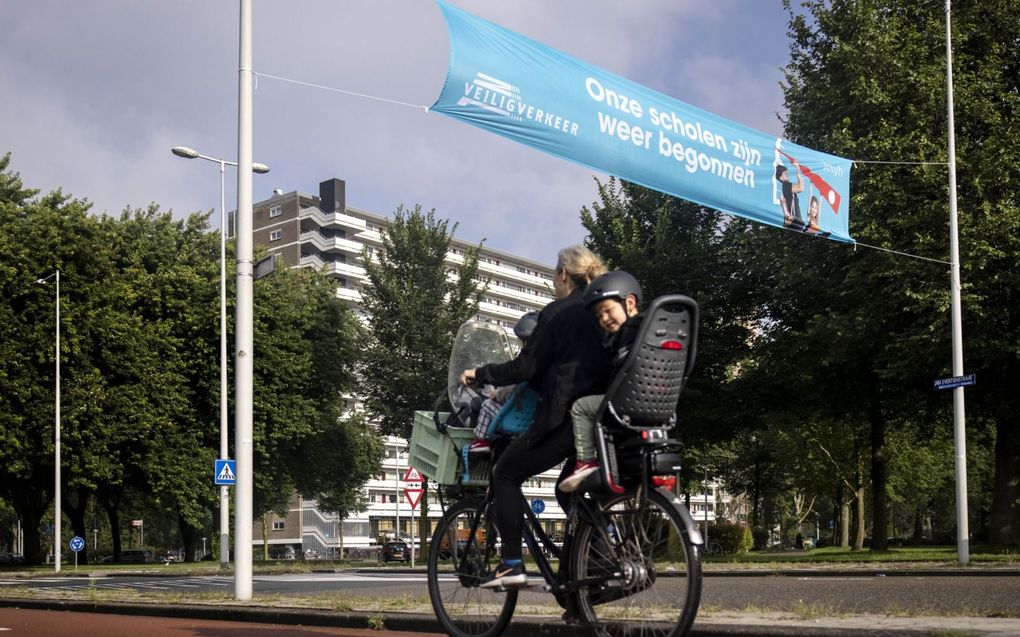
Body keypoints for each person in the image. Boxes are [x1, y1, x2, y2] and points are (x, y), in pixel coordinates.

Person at [459, 245, 610, 589]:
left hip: (566, 417)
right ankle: (588, 572)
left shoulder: (558, 312)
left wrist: (479, 373)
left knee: (506, 474)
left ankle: (511, 563)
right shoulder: (602, 308)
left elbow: (526, 366)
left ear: (562, 274)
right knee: (566, 491)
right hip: (603, 416)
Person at [559, 271, 643, 493]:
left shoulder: (626, 334)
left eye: (607, 310)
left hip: (624, 403)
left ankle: (586, 460)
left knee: (581, 407)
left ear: (630, 302)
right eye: (599, 315)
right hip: (659, 405)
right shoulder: (651, 331)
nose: (604, 318)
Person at [466, 311, 540, 454]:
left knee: (487, 404)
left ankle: (481, 440)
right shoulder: (543, 371)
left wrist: (494, 393)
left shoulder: (520, 372)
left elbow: (502, 394)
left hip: (510, 420)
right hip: (531, 424)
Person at [775, 163, 805, 230]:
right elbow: (801, 188)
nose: (787, 174)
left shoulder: (785, 186)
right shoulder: (786, 185)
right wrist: (798, 170)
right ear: (780, 177)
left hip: (791, 221)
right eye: (785, 173)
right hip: (794, 220)